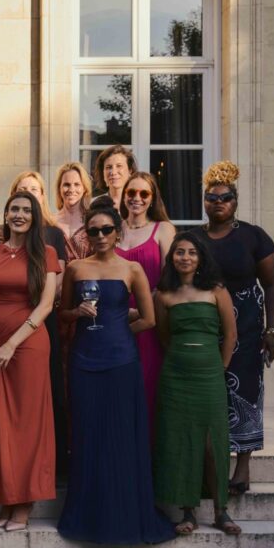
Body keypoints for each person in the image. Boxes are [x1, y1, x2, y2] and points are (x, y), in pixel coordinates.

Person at [56, 208, 174, 545]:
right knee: (88, 434)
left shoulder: (132, 269)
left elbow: (149, 319)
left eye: (107, 229)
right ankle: (88, 516)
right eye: (94, 231)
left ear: (117, 232)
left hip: (122, 361)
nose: (101, 236)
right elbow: (63, 314)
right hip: (83, 360)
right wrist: (77, 313)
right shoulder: (76, 269)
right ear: (87, 235)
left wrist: (119, 333)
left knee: (121, 436)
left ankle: (124, 515)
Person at [0, 191, 61, 530]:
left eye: (26, 210)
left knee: (27, 424)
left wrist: (11, 344)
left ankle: (24, 504)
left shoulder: (45, 253)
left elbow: (46, 306)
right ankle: (6, 499)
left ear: (34, 216)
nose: (20, 215)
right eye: (14, 209)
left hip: (28, 345)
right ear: (6, 213)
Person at [198, 161, 274, 496]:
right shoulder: (193, 238)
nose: (218, 202)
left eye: (225, 197)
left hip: (246, 330)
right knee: (210, 398)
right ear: (204, 201)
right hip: (207, 329)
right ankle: (208, 468)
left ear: (235, 201)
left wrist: (271, 330)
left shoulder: (253, 236)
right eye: (212, 197)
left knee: (246, 394)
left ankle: (242, 468)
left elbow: (273, 285)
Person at [154, 232, 240, 535]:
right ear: (172, 258)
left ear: (201, 258)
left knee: (213, 442)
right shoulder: (163, 294)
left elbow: (231, 334)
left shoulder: (216, 290)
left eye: (192, 252)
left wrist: (220, 366)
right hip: (176, 376)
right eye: (179, 252)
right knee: (181, 440)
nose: (185, 257)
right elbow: (164, 335)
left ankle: (221, 511)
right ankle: (187, 511)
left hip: (210, 376)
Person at [9, 171, 69, 475]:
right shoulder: (3, 234)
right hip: (9, 320)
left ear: (42, 196)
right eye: (22, 189)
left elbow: (58, 283)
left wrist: (38, 302)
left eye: (34, 189)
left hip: (44, 320)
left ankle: (52, 463)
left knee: (49, 389)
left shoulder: (54, 235)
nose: (29, 193)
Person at [117, 171, 176, 431]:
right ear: (124, 196)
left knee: (147, 384)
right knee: (119, 389)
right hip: (115, 319)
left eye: (144, 193)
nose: (137, 198)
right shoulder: (113, 228)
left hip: (149, 320)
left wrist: (141, 309)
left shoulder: (163, 229)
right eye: (131, 192)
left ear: (152, 198)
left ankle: (147, 450)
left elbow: (169, 278)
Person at [53, 162, 94, 262]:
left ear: (84, 188)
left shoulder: (93, 220)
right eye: (66, 185)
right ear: (59, 188)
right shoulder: (50, 222)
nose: (71, 189)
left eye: (77, 184)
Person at [93, 144, 137, 210]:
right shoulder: (94, 204)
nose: (113, 172)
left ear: (130, 171)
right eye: (108, 167)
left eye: (119, 166)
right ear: (103, 173)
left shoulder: (139, 203)